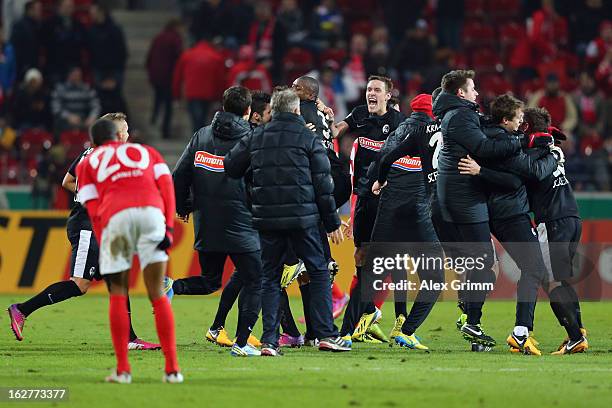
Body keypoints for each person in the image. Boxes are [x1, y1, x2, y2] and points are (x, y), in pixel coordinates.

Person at [7, 113, 164, 351]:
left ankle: (128, 338)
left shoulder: (90, 153)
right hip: (86, 227)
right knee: (79, 284)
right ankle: (22, 309)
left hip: (98, 225)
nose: (129, 135)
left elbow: (67, 181)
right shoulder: (109, 158)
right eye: (125, 131)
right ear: (117, 134)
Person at [224, 88, 349, 355]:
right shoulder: (308, 137)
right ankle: (326, 334)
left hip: (267, 219)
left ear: (275, 110)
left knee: (269, 277)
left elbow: (231, 166)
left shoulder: (257, 135)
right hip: (304, 220)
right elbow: (323, 185)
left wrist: (253, 192)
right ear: (295, 110)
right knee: (317, 272)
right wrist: (331, 223)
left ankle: (270, 340)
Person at [75, 119, 181, 383]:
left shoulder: (88, 162)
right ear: (118, 136)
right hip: (153, 216)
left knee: (118, 295)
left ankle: (123, 370)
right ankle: (172, 369)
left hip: (116, 218)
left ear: (95, 143)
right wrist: (168, 228)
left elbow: (94, 209)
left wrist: (103, 243)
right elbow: (167, 189)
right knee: (157, 293)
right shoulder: (146, 152)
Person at [456, 94, 560, 355]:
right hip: (511, 213)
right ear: (506, 120)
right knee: (534, 268)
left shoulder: (484, 137)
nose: (522, 124)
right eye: (518, 119)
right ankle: (521, 332)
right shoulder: (506, 142)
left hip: (489, 212)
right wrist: (551, 154)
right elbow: (522, 177)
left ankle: (472, 318)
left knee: (487, 267)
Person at [432, 69, 521, 348]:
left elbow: (482, 131)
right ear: (461, 93)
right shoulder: (459, 116)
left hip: (456, 198)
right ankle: (471, 320)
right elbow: (482, 146)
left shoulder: (458, 115)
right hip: (465, 200)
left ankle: (470, 316)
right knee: (485, 265)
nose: (477, 93)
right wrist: (516, 142)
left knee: (478, 265)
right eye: (472, 89)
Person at [172, 86, 263, 357]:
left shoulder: (201, 135)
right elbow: (258, 181)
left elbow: (178, 175)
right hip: (240, 223)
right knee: (256, 279)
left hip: (206, 222)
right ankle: (242, 341)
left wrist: (183, 206)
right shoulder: (250, 138)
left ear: (223, 106)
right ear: (248, 111)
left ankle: (170, 286)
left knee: (211, 281)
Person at [330, 75, 406, 344]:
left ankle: (371, 314)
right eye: (369, 89)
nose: (371, 93)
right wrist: (327, 126)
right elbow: (339, 128)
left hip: (388, 202)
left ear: (388, 95)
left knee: (387, 261)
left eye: (377, 90)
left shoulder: (399, 123)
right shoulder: (360, 115)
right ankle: (365, 316)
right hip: (362, 200)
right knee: (362, 259)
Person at [369, 93, 445, 351]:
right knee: (433, 278)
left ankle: (349, 328)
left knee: (377, 270)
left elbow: (384, 158)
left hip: (390, 212)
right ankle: (407, 329)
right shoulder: (441, 131)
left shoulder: (403, 130)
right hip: (423, 212)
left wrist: (379, 180)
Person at [522, 107, 588, 355]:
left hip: (553, 222)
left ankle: (574, 337)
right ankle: (578, 332)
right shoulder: (552, 149)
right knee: (562, 279)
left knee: (551, 281)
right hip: (571, 217)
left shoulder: (534, 153)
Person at [146, 18, 183, 139]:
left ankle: (154, 118)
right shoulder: (175, 39)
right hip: (168, 76)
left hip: (157, 75)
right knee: (168, 105)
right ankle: (164, 130)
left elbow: (150, 55)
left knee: (158, 99)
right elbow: (178, 58)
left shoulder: (159, 37)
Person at [51, 66, 101, 132]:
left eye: (79, 75)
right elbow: (55, 108)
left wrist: (92, 117)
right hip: (65, 122)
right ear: (69, 75)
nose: (77, 77)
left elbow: (96, 106)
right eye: (75, 75)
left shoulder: (87, 89)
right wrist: (68, 116)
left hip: (83, 121)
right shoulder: (60, 89)